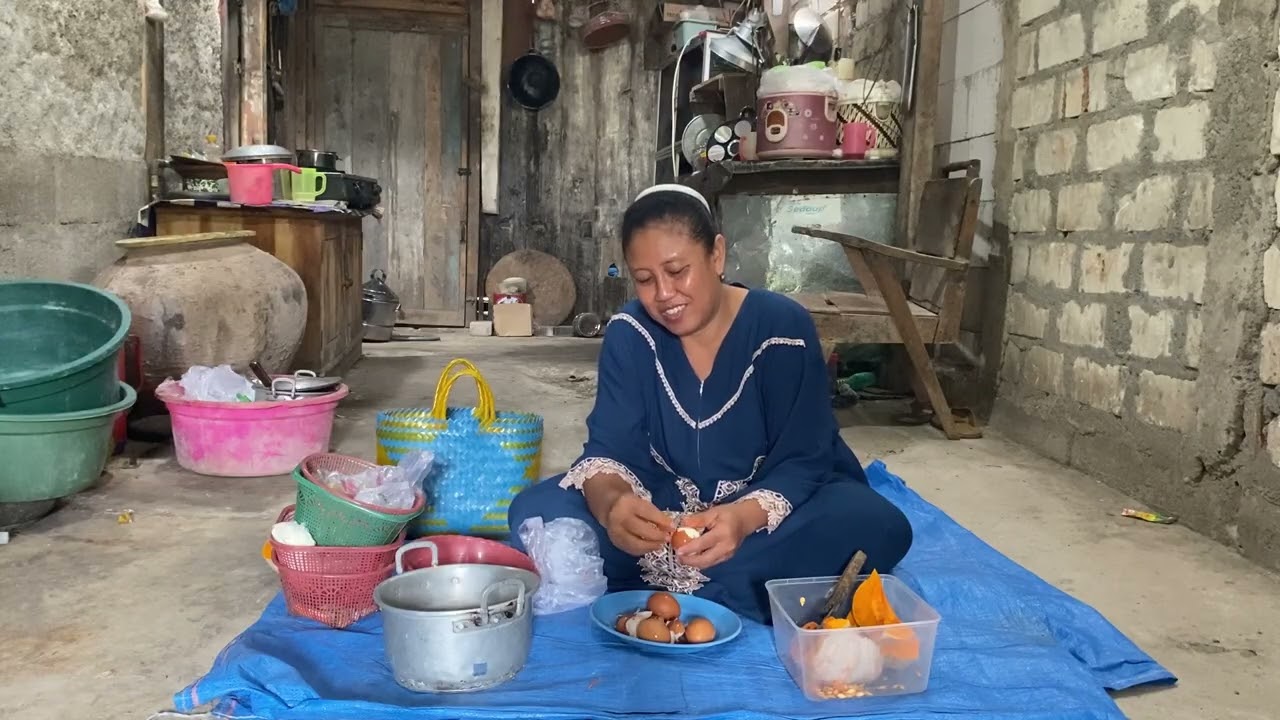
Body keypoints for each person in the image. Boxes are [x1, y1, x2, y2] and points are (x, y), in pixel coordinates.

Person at [507, 184, 913, 623]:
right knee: (536, 511)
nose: (663, 294)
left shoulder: (782, 328)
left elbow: (806, 455)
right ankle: (737, 588)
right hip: (660, 504)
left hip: (765, 511)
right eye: (645, 279)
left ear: (716, 256)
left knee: (874, 522)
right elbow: (608, 449)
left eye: (677, 271)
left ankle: (673, 581)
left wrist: (741, 518)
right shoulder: (630, 333)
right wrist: (615, 509)